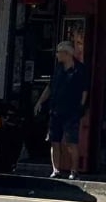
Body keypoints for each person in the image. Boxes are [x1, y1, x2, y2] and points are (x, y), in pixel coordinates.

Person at [37, 41, 88, 179]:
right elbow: (50, 87)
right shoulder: (58, 68)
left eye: (59, 52)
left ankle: (74, 170)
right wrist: (40, 102)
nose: (57, 55)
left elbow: (84, 90)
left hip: (72, 111)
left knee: (71, 142)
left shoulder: (80, 69)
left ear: (67, 54)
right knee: (54, 140)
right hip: (56, 110)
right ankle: (56, 170)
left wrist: (81, 107)